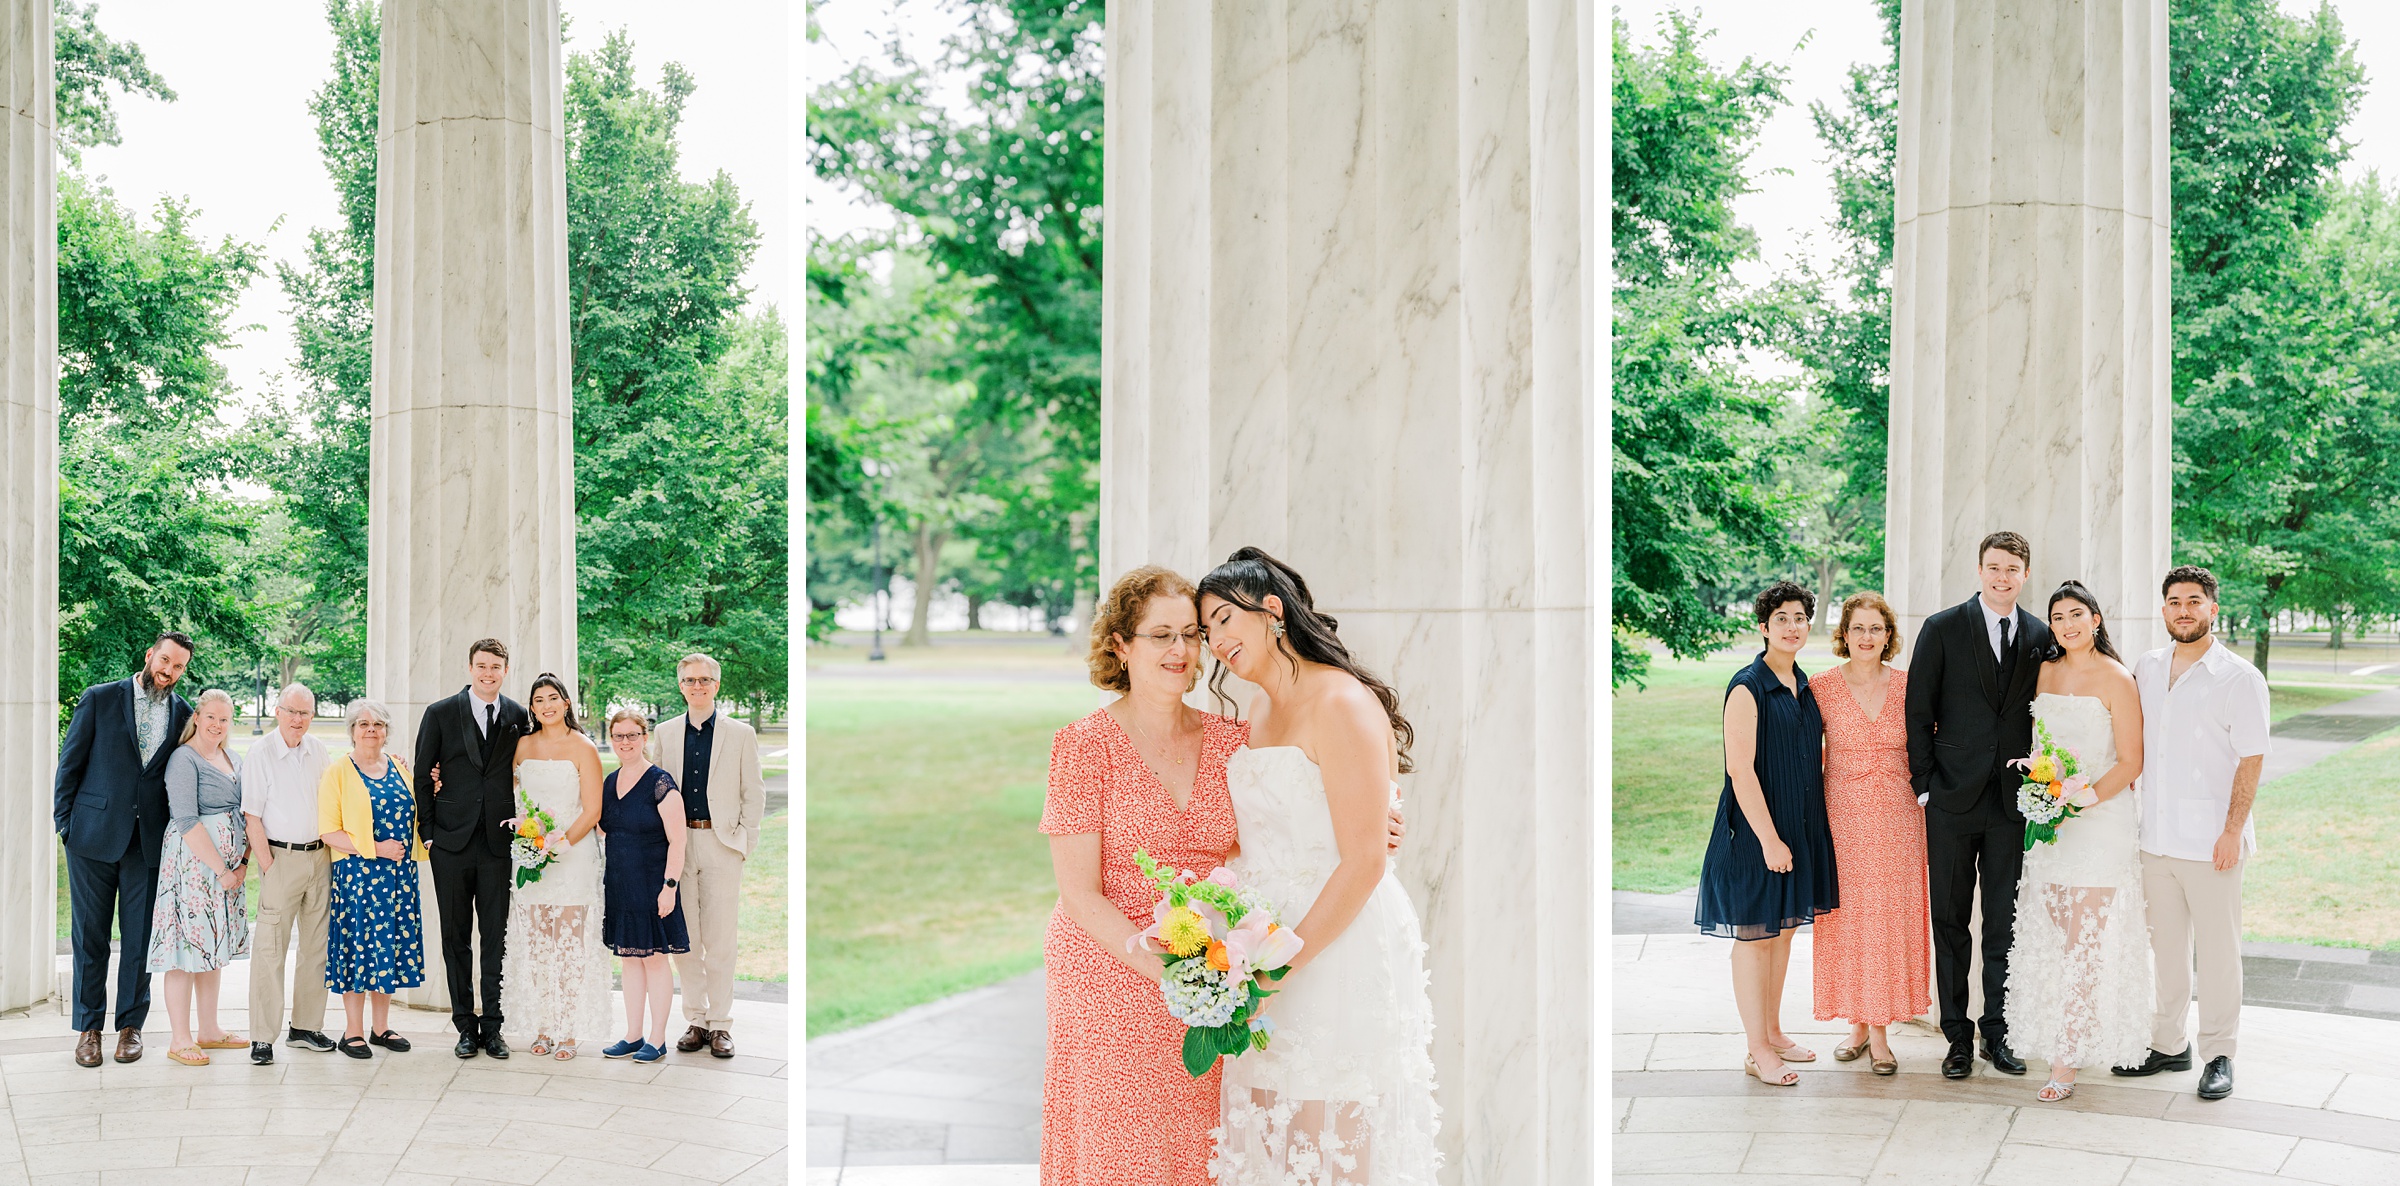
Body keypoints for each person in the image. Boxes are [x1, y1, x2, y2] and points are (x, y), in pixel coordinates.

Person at [1039, 565, 1411, 1183]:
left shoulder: (1233, 739)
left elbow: (1293, 816)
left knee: (1208, 1151)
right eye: (1161, 636)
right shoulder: (1082, 746)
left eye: (1192, 633)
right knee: (1119, 1152)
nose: (1183, 649)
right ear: (1121, 646)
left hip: (1217, 974)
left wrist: (1383, 821)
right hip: (1111, 973)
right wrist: (1175, 976)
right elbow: (1077, 892)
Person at [1199, 547, 1440, 1181]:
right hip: (1261, 946)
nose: (1214, 640)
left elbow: (1363, 860)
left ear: (1272, 610)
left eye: (1225, 618)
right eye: (1206, 630)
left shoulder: (1340, 702)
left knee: (1332, 1144)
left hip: (1336, 944)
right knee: (1272, 1138)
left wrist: (1278, 969)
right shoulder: (1256, 712)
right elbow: (1262, 832)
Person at [2112, 565, 2270, 1101]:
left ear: (2213, 609)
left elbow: (2251, 760)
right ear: (2163, 610)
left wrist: (2233, 830)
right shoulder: (2147, 668)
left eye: (2195, 601)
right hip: (2154, 840)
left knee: (2220, 952)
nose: (2184, 610)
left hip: (2212, 843)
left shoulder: (2240, 678)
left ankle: (2220, 1053)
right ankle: (2168, 1043)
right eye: (2175, 601)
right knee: (2167, 951)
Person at [1905, 530, 2050, 1080]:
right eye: (1993, 567)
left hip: (2012, 806)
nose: (2002, 576)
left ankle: (1997, 1032)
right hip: (1949, 800)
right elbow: (1918, 711)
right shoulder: (1942, 628)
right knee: (1949, 922)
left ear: (2025, 574)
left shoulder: (2040, 634)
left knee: (2003, 924)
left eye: (2012, 568)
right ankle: (1957, 1038)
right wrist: (1925, 785)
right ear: (1980, 570)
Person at [2004, 582, 2150, 1102]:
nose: (2067, 625)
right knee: (2057, 936)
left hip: (2100, 820)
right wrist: (2046, 796)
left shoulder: (2117, 678)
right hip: (2051, 827)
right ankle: (2064, 1036)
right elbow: (2040, 748)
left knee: (2084, 943)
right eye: (2058, 617)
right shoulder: (2045, 672)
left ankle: (2066, 1060)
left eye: (2076, 615)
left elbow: (2131, 761)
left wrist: (2079, 799)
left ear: (2096, 619)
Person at [1695, 582, 1839, 1087]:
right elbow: (1742, 771)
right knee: (1756, 938)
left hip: (1800, 829)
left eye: (1800, 617)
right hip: (1757, 834)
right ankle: (1756, 1050)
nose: (1792, 626)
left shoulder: (1804, 684)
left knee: (1783, 935)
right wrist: (1770, 841)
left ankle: (1774, 1032)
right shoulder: (1747, 686)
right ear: (1763, 626)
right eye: (1782, 618)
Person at [55, 631, 197, 1067]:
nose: (169, 672)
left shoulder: (184, 715)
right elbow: (69, 765)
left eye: (178, 668)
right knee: (90, 938)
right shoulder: (100, 698)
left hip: (148, 845)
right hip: (92, 839)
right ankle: (89, 1029)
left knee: (139, 941)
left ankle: (131, 1027)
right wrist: (66, 827)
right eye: (165, 661)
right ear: (150, 653)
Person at [1810, 592, 1928, 1076]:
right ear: (1844, 634)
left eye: (1875, 628)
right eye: (1857, 628)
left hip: (1900, 819)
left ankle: (1879, 1031)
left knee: (1887, 921)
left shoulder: (1908, 686)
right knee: (1850, 919)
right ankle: (1858, 1024)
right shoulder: (1820, 688)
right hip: (1843, 819)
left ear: (1888, 635)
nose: (1866, 637)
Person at [413, 638, 529, 1058]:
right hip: (450, 842)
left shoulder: (518, 715)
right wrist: (429, 833)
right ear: (469, 668)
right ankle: (465, 1025)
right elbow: (424, 774)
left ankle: (493, 1026)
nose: (488, 673)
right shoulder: (440, 713)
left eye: (495, 666)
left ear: (505, 670)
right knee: (455, 937)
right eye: (481, 665)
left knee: (495, 939)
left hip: (498, 844)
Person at [652, 653, 768, 1060]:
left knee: (720, 940)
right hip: (679, 845)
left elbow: (754, 792)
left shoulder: (740, 733)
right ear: (680, 685)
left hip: (721, 845)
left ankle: (720, 1024)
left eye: (704, 680)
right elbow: (655, 791)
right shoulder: (665, 734)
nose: (696, 686)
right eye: (689, 680)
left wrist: (744, 842)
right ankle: (696, 1020)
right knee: (686, 939)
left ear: (716, 685)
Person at [494, 674, 609, 1059]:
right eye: (538, 699)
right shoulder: (522, 745)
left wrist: (557, 844)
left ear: (566, 703)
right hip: (531, 858)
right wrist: (532, 843)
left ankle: (570, 1030)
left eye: (553, 698)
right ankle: (544, 1025)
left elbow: (592, 809)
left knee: (568, 947)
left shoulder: (583, 747)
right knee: (539, 945)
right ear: (532, 707)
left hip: (571, 856)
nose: (546, 705)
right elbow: (510, 795)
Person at [148, 688, 254, 1066]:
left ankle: (209, 1030)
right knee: (183, 950)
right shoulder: (183, 759)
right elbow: (186, 821)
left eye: (224, 719)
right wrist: (222, 869)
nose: (217, 725)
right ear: (197, 717)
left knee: (211, 949)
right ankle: (180, 1039)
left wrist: (242, 862)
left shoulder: (233, 757)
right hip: (192, 867)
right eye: (211, 717)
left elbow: (246, 812)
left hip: (225, 870)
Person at [320, 699, 428, 1058]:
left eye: (378, 724)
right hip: (359, 878)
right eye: (363, 724)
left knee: (389, 949)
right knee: (359, 950)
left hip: (398, 877)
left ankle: (381, 1028)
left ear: (387, 732)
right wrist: (376, 849)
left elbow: (417, 808)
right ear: (351, 731)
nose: (371, 729)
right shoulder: (338, 771)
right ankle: (352, 1031)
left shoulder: (399, 768)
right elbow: (328, 832)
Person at [242, 682, 337, 1065]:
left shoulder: (319, 751)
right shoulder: (261, 753)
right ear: (278, 711)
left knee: (316, 948)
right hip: (280, 859)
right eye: (292, 711)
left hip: (321, 858)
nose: (298, 720)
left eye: (305, 713)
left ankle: (305, 1027)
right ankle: (263, 1037)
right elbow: (252, 817)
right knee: (270, 949)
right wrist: (267, 864)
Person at [598, 709, 690, 1063]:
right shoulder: (610, 782)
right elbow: (604, 828)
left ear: (644, 737)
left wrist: (669, 887)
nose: (625, 742)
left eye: (632, 735)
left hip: (653, 885)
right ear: (612, 738)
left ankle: (657, 1038)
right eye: (619, 736)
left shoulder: (660, 783)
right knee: (629, 961)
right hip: (620, 884)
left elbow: (678, 842)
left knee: (654, 960)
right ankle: (633, 1035)